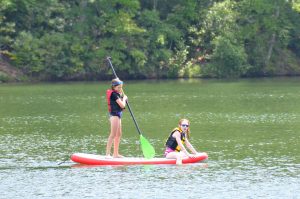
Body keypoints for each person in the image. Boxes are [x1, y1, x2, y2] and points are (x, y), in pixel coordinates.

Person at [105, 78, 128, 158]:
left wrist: (122, 97)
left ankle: (115, 154)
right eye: (118, 87)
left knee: (118, 134)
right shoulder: (114, 94)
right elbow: (122, 105)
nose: (120, 89)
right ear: (113, 87)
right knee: (113, 134)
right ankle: (107, 154)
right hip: (114, 115)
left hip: (118, 115)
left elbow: (120, 105)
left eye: (121, 87)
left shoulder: (118, 94)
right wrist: (124, 99)